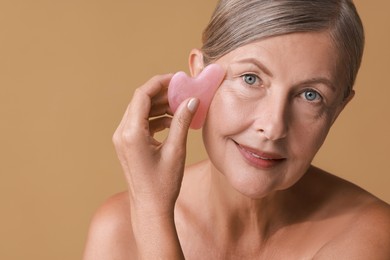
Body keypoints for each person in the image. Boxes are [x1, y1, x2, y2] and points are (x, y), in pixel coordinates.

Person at [83, 0, 390, 259]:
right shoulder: (118, 230)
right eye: (250, 79)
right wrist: (152, 211)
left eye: (310, 95)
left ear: (338, 109)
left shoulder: (370, 237)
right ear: (199, 74)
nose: (272, 128)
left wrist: (152, 218)